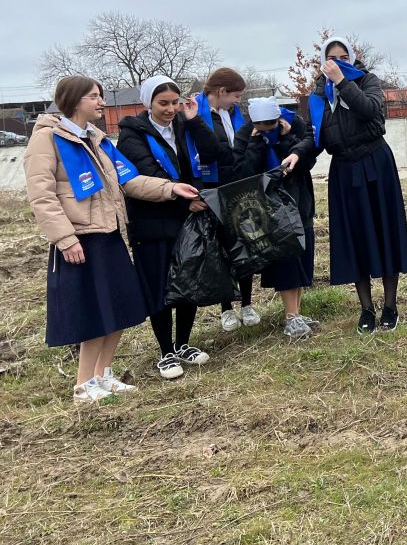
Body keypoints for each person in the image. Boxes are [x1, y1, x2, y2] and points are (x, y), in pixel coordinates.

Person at [24, 77, 199, 403]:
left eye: (101, 95)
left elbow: (129, 181)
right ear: (75, 100)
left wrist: (171, 189)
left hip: (110, 234)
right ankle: (83, 386)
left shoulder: (97, 139)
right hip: (80, 240)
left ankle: (103, 375)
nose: (102, 101)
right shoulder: (47, 140)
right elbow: (41, 196)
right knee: (94, 313)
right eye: (94, 96)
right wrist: (65, 238)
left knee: (118, 308)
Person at [117, 75, 221, 379]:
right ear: (148, 103)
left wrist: (194, 120)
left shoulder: (182, 124)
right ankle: (165, 351)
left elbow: (212, 154)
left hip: (186, 215)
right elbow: (147, 173)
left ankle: (184, 343)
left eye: (175, 102)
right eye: (163, 103)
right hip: (152, 221)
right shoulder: (131, 134)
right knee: (160, 286)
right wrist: (183, 202)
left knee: (188, 279)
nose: (170, 108)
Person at [310, 36, 407, 334]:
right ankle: (366, 308)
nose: (339, 62)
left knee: (384, 231)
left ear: (352, 59)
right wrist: (295, 153)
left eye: (344, 57)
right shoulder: (319, 93)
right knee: (355, 236)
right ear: (323, 62)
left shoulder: (367, 81)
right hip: (343, 169)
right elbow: (315, 134)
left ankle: (390, 305)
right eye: (333, 58)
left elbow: (370, 111)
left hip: (375, 162)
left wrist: (343, 81)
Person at [234, 97, 320, 339]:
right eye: (262, 126)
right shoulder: (245, 133)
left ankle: (297, 313)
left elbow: (307, 161)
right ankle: (290, 316)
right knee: (286, 260)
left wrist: (288, 140)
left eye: (271, 125)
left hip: (298, 199)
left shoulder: (296, 124)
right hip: (269, 207)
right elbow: (243, 172)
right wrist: (256, 143)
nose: (267, 129)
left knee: (302, 256)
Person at [196, 67, 261, 331]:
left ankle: (246, 302)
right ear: (221, 92)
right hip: (212, 189)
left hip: (239, 187)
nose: (238, 101)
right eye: (236, 96)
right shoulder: (196, 115)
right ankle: (226, 307)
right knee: (220, 249)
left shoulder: (236, 116)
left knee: (245, 243)